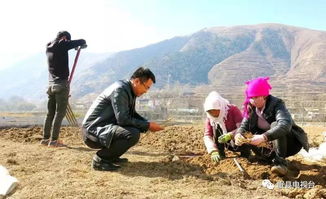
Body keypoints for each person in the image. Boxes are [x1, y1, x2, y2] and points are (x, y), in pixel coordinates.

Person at [82, 67, 164, 171]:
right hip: (92, 131)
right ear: (137, 81)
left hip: (101, 128)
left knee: (132, 130)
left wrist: (147, 123)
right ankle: (101, 159)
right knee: (132, 134)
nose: (146, 91)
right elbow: (123, 119)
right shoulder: (120, 90)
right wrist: (147, 125)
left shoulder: (128, 90)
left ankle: (111, 157)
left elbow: (131, 114)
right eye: (146, 87)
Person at [234, 77, 309, 176]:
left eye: (256, 97)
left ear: (264, 95)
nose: (253, 100)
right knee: (247, 133)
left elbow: (284, 125)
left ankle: (280, 163)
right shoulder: (251, 107)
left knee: (275, 125)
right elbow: (244, 126)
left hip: (289, 144)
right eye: (251, 98)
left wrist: (263, 137)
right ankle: (268, 158)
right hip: (267, 147)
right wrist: (238, 134)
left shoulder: (277, 104)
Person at [40, 31, 87, 147]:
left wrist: (72, 46)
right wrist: (76, 45)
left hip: (51, 85)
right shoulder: (62, 44)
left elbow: (63, 47)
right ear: (65, 38)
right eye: (67, 40)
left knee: (50, 113)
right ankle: (54, 140)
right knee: (59, 113)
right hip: (62, 84)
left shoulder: (48, 46)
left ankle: (45, 139)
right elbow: (82, 41)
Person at [203, 91, 250, 163]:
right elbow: (207, 135)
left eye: (215, 110)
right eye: (210, 112)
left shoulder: (232, 110)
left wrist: (231, 134)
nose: (213, 114)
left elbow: (243, 128)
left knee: (243, 134)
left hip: (237, 139)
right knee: (216, 127)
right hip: (226, 142)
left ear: (220, 107)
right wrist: (213, 150)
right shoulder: (210, 118)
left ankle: (245, 153)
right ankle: (220, 153)